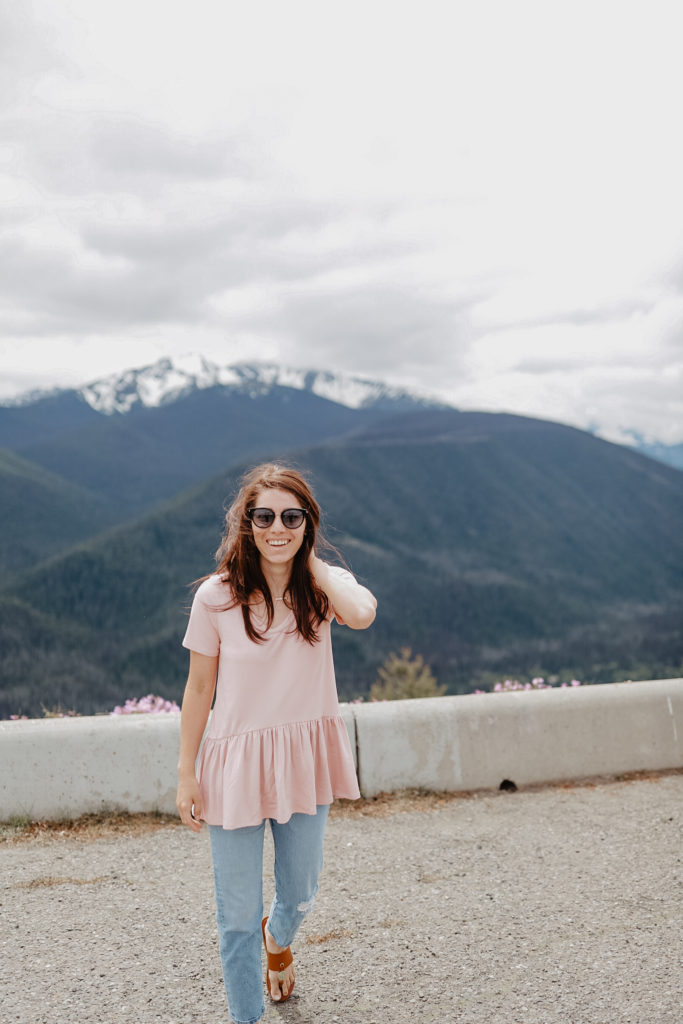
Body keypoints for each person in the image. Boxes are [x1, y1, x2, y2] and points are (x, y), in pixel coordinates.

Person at [176, 462, 376, 1024]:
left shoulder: (322, 587)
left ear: (308, 522)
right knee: (236, 917)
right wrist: (186, 773)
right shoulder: (216, 597)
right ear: (247, 523)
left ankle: (279, 937)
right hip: (233, 763)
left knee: (302, 889)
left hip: (305, 759)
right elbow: (199, 688)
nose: (277, 528)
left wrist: (307, 558)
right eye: (263, 517)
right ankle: (247, 1016)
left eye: (292, 517)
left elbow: (362, 614)